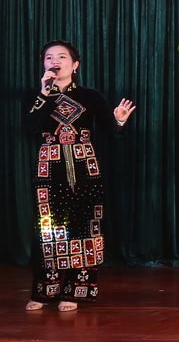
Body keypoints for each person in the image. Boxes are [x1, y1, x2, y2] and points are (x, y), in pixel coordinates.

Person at [23, 40, 136, 312]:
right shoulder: (36, 96)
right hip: (49, 168)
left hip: (85, 168)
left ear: (75, 65)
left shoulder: (90, 96)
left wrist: (119, 120)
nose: (54, 61)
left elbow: (112, 133)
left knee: (83, 227)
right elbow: (28, 128)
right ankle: (44, 290)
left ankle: (76, 290)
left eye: (62, 57)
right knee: (48, 229)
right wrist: (43, 94)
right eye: (49, 57)